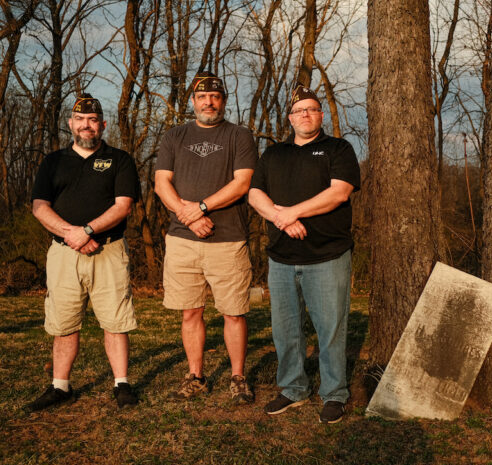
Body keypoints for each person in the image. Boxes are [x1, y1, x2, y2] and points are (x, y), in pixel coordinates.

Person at [249, 85, 360, 424]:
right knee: (286, 330)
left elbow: (339, 193)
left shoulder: (338, 149)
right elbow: (255, 195)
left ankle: (334, 393)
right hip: (281, 258)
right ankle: (294, 388)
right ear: (290, 118)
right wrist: (281, 219)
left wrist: (291, 212)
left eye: (312, 109)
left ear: (321, 116)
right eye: (299, 111)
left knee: (330, 329)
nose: (306, 115)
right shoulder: (273, 154)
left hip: (327, 256)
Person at [27, 94, 140, 411]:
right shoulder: (53, 162)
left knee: (115, 321)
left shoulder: (120, 159)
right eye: (80, 119)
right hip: (64, 254)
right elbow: (39, 206)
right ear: (70, 124)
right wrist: (72, 234)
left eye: (93, 120)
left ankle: (122, 384)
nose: (86, 125)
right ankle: (60, 387)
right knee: (63, 323)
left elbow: (123, 205)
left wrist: (88, 230)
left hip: (109, 251)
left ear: (102, 125)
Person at [154, 71, 257, 404]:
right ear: (193, 101)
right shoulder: (174, 136)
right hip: (183, 240)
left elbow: (242, 183)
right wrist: (188, 215)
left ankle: (238, 377)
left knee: (233, 312)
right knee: (190, 312)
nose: (208, 102)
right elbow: (161, 184)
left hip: (227, 239)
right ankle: (195, 376)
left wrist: (200, 207)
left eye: (215, 97)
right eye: (202, 97)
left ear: (223, 101)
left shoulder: (240, 136)